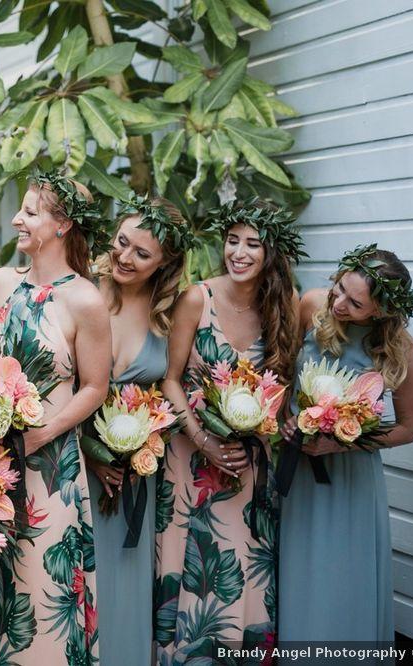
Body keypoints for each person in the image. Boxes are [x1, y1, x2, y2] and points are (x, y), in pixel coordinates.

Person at [155, 199, 303, 660]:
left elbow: (283, 387)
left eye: (253, 244)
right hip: (190, 460)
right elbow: (170, 378)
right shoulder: (197, 298)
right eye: (232, 240)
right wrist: (204, 438)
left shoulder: (285, 305)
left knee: (242, 568)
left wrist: (267, 424)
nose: (239, 252)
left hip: (248, 466)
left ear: (271, 252)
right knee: (191, 566)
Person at [0, 170, 111, 663]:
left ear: (63, 225)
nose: (17, 219)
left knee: (45, 587)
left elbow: (95, 385)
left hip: (51, 469)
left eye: (30, 212)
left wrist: (42, 435)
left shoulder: (85, 299)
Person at [279, 245, 413, 645]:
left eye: (355, 303)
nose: (338, 303)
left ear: (378, 312)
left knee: (343, 573)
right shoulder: (310, 306)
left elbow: (410, 428)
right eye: (339, 288)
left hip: (351, 478)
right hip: (297, 471)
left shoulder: (399, 348)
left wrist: (344, 446)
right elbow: (281, 373)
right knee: (299, 569)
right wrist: (282, 422)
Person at [86, 195, 194, 666]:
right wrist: (90, 452)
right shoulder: (84, 293)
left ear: (165, 262)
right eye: (122, 242)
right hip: (76, 467)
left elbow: (174, 387)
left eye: (142, 253)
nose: (124, 258)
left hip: (136, 475)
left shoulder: (169, 313)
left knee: (126, 586)